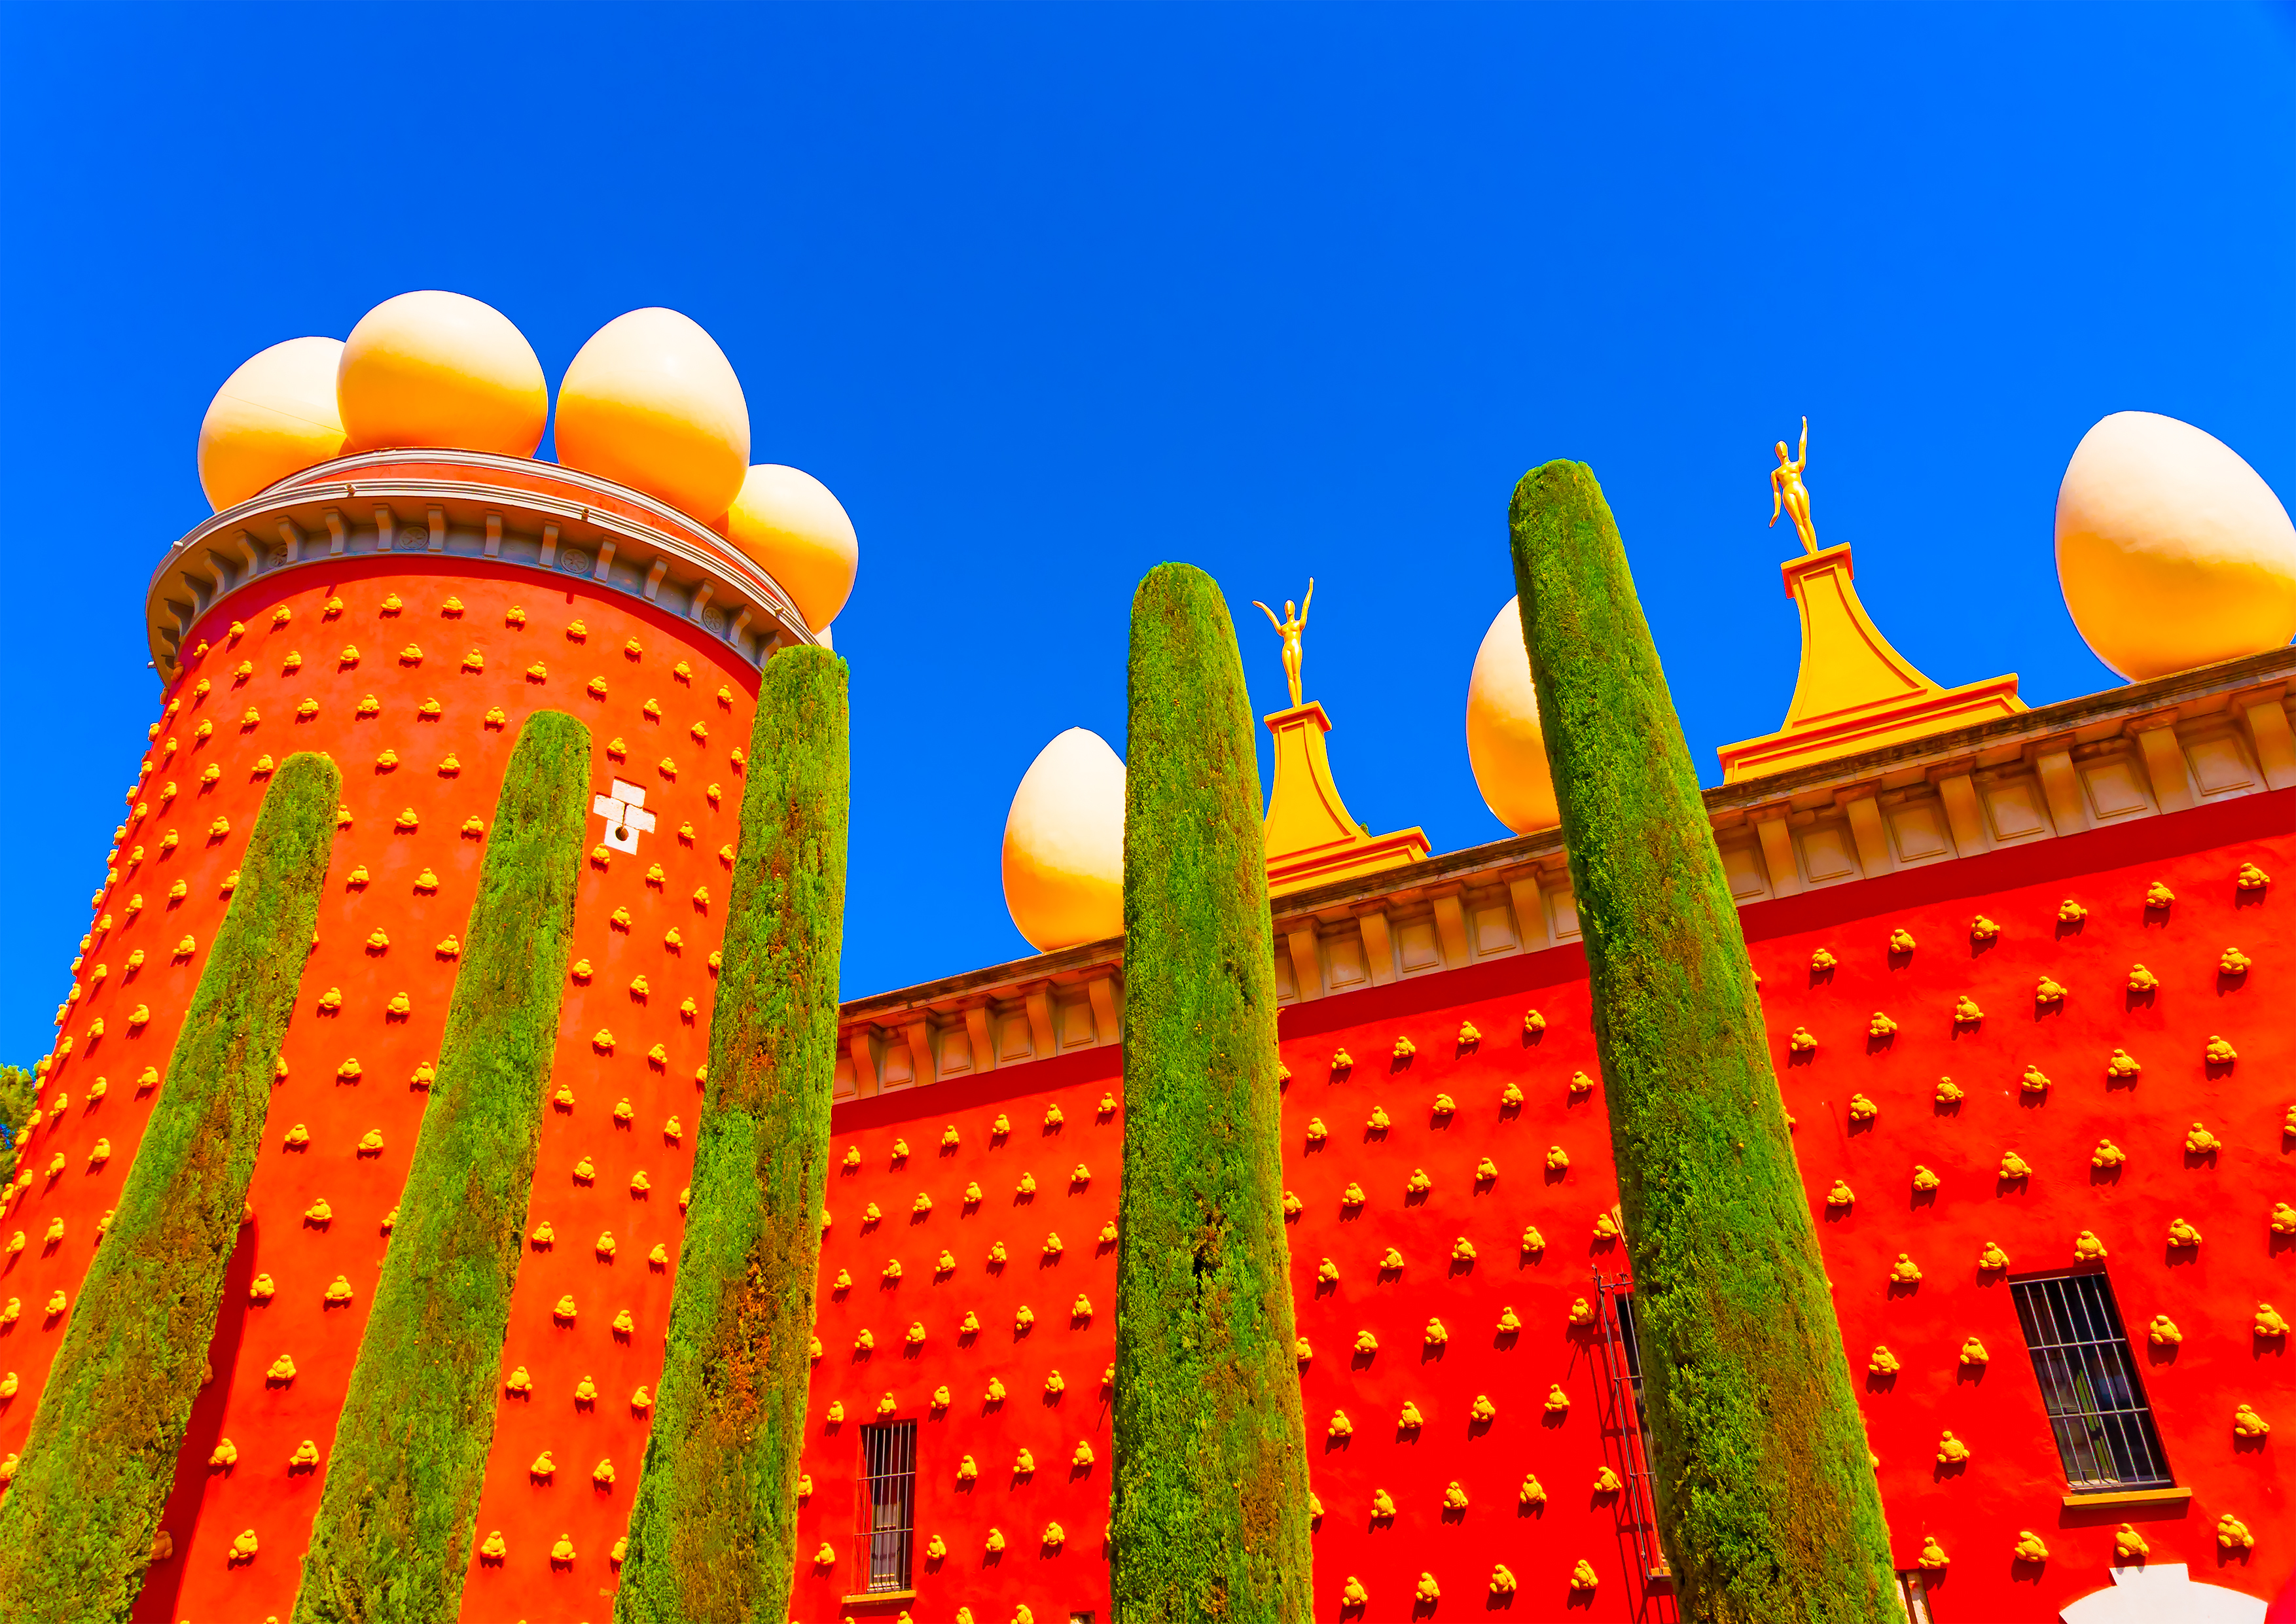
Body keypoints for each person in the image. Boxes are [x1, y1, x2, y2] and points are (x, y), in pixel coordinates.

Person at [1252, 580, 1314, 708]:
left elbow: (1306, 606)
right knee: (1290, 676)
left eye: (1290, 606)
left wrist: (1310, 589)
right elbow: (1272, 618)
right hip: (1286, 648)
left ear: (1293, 609)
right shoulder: (1283, 628)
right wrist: (1263, 606)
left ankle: (1299, 705)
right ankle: (1295, 705)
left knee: (1297, 674)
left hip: (1296, 647)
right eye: (1286, 607)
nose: (1288, 609)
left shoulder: (1299, 624)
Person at [1770, 416, 1817, 552]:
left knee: (1807, 519)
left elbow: (1802, 445)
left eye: (1783, 448)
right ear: (1777, 454)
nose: (1782, 450)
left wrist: (1805, 428)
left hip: (1799, 488)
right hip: (1787, 493)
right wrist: (1777, 511)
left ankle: (1816, 551)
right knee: (1799, 522)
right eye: (1779, 450)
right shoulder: (1776, 473)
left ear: (1787, 449)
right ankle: (1811, 553)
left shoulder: (1796, 465)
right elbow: (1776, 492)